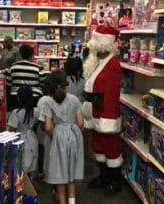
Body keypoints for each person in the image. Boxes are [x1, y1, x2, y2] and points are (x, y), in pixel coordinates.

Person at [82, 25, 123, 195]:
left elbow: (112, 93)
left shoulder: (113, 64)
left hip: (106, 113)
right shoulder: (97, 61)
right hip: (94, 111)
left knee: (110, 148)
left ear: (105, 45)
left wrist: (108, 118)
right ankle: (103, 176)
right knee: (97, 146)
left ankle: (115, 181)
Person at [40, 69, 84, 204]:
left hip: (58, 138)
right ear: (67, 83)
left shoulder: (48, 102)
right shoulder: (74, 100)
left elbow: (47, 127)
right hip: (74, 135)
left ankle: (62, 201)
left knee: (60, 173)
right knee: (71, 173)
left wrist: (56, 134)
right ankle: (72, 201)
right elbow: (81, 123)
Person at [7, 85, 39, 174]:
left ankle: (21, 186)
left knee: (20, 167)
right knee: (29, 166)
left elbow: (12, 130)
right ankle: (29, 185)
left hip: (20, 140)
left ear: (19, 98)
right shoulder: (36, 111)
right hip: (32, 139)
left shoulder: (16, 113)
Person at [7, 44, 47, 111]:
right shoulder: (38, 68)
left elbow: (8, 84)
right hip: (34, 98)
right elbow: (43, 84)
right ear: (32, 55)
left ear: (21, 55)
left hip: (16, 98)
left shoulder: (12, 67)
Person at [0, 35, 21, 112]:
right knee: (5, 91)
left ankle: (12, 107)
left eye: (6, 42)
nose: (5, 44)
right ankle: (6, 106)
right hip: (3, 74)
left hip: (12, 75)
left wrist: (8, 69)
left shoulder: (16, 51)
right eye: (4, 42)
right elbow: (2, 60)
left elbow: (18, 63)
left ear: (11, 42)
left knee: (10, 91)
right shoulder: (5, 50)